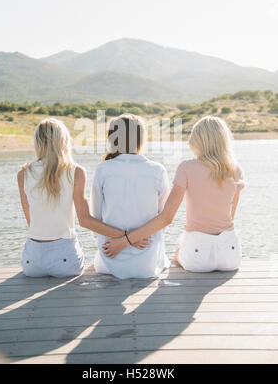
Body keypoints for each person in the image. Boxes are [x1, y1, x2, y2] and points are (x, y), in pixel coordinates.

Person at [103, 116, 245, 273]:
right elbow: (230, 216)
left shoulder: (187, 168)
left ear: (197, 140)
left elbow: (166, 218)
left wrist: (126, 240)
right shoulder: (236, 170)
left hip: (198, 254)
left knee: (179, 254)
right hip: (231, 254)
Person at [17, 118, 126, 278]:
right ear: (64, 141)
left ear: (37, 142)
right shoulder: (75, 172)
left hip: (32, 262)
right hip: (64, 259)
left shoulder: (24, 173)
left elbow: (30, 219)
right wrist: (125, 236)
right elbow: (85, 220)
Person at [91, 113, 171, 279]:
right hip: (148, 262)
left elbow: (95, 220)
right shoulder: (157, 170)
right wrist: (131, 239)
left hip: (109, 258)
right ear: (141, 139)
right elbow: (162, 221)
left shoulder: (103, 170)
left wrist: (123, 240)